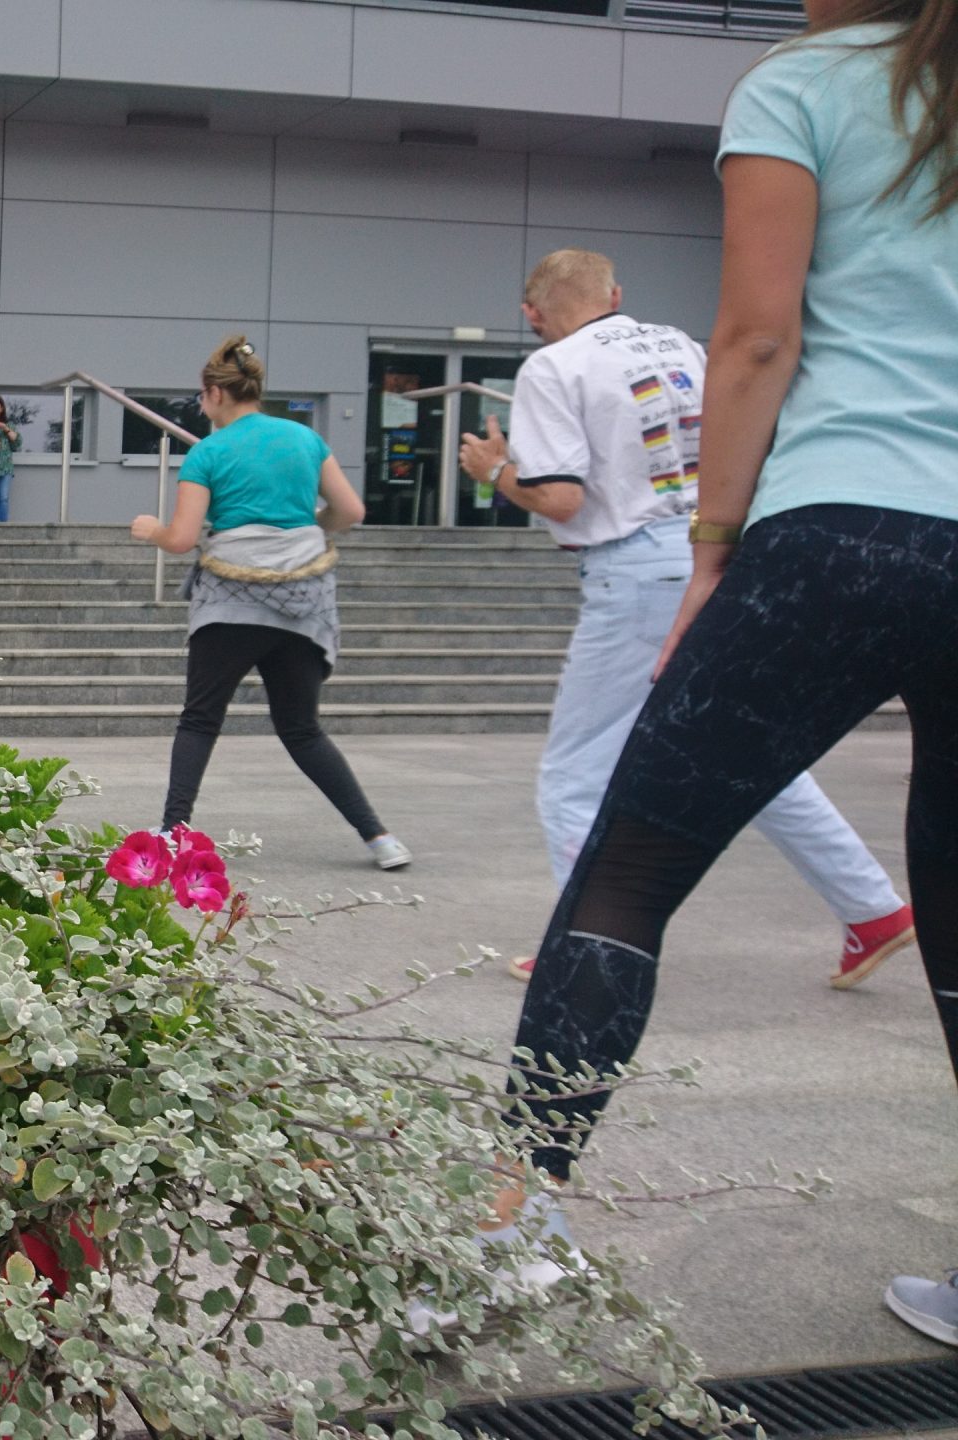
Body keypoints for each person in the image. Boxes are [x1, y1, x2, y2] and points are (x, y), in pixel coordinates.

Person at [436, 0, 958, 1345]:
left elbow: (759, 337)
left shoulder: (805, 84)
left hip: (842, 524)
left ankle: (517, 1237)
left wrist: (713, 550)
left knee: (630, 863)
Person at [461, 250, 912, 987]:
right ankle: (872, 908)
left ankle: (584, 945)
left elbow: (562, 497)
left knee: (574, 775)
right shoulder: (679, 345)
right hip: (718, 552)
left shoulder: (554, 366)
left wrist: (493, 472)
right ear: (617, 292)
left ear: (533, 313)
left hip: (635, 572)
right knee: (742, 752)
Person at [131, 336, 411, 871]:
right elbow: (350, 510)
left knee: (200, 720)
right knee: (302, 728)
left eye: (202, 395)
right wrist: (309, 532)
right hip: (303, 604)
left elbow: (184, 538)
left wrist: (152, 531)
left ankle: (171, 835)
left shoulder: (209, 451)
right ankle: (380, 838)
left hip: (230, 606)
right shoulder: (305, 439)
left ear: (215, 393)